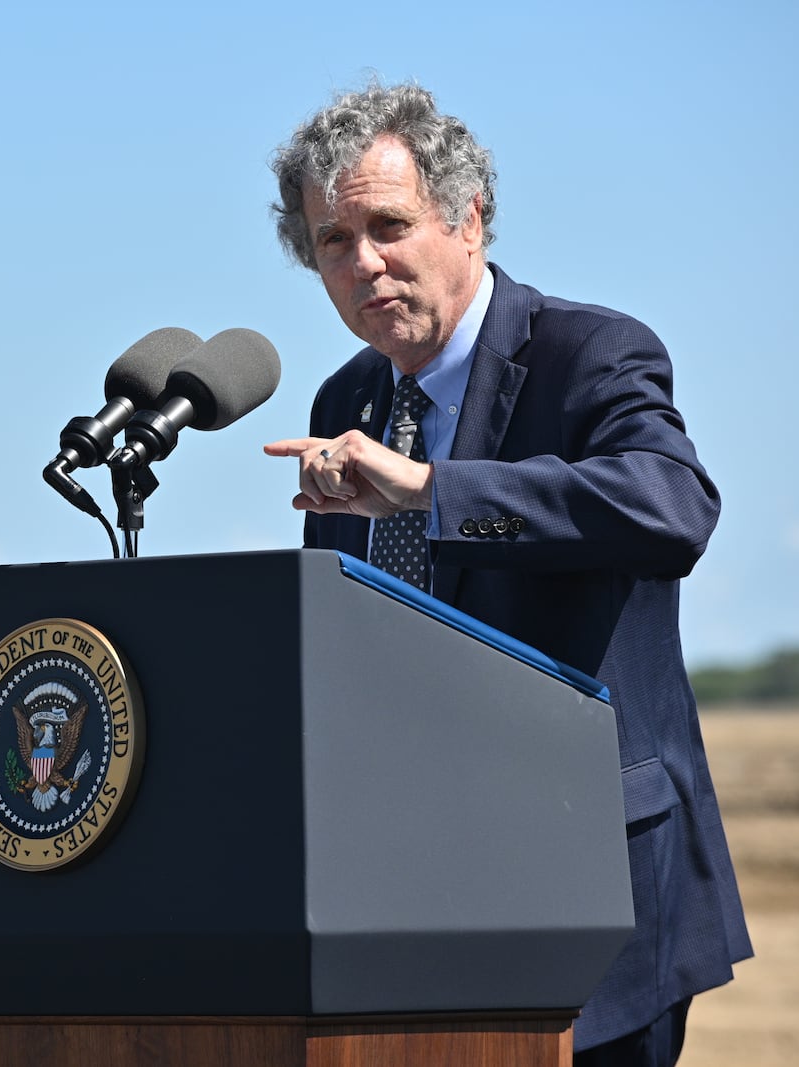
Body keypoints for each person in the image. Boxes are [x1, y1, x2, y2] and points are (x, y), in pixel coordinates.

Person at [262, 81, 751, 1066]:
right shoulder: (346, 395)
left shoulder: (590, 351)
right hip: (405, 894)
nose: (362, 262)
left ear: (467, 216)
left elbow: (670, 504)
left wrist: (433, 492)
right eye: (330, 241)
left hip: (589, 890)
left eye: (386, 226)